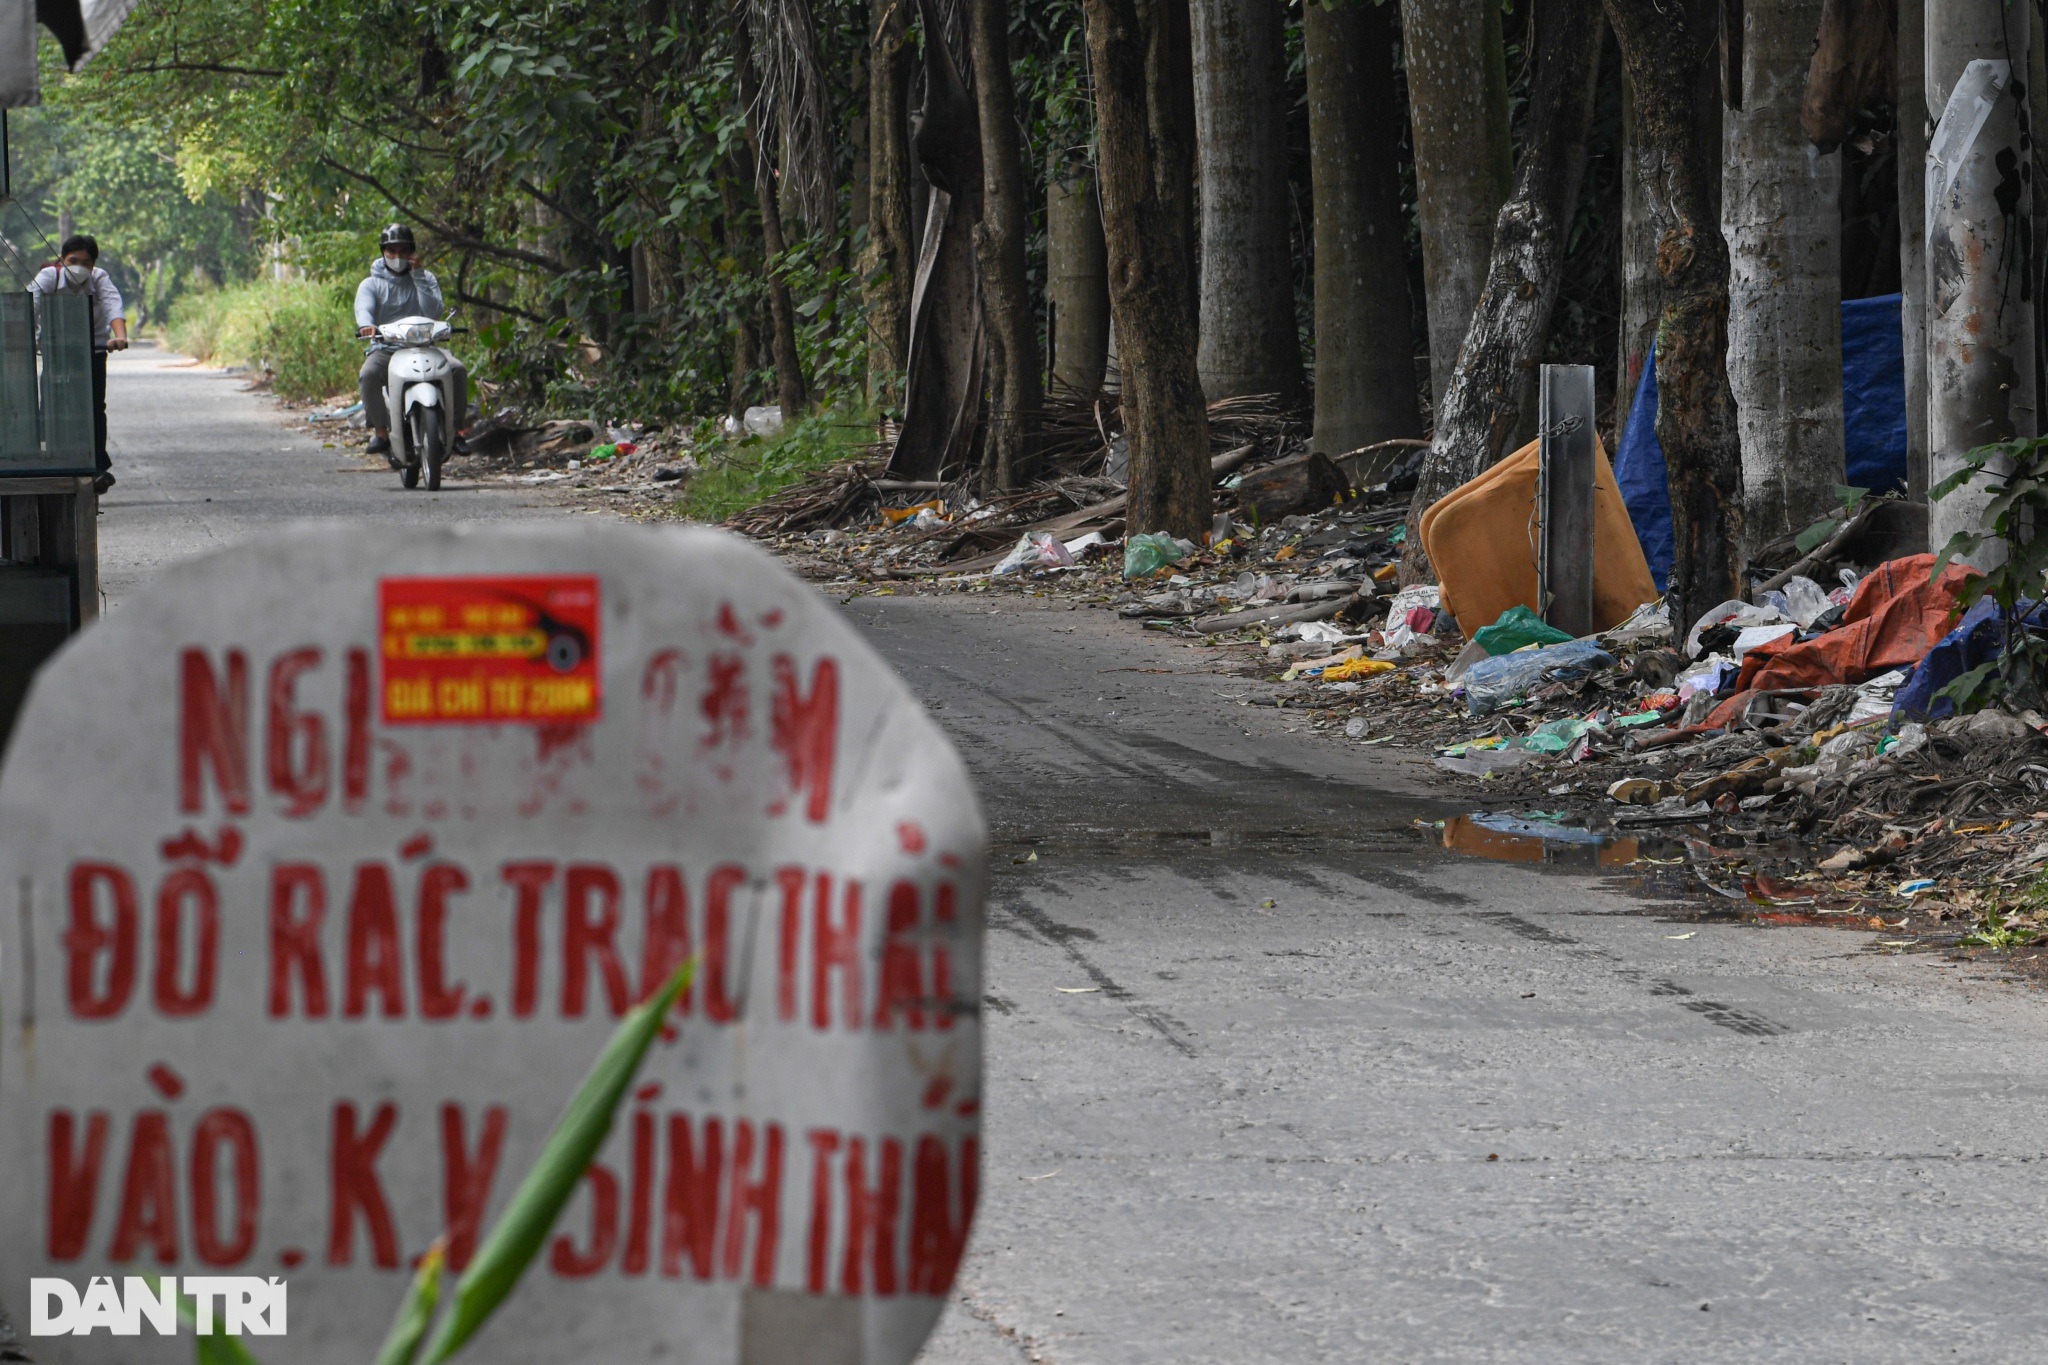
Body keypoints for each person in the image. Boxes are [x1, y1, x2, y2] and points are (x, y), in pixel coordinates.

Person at [354, 223, 467, 461]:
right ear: (383, 252)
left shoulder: (426, 278)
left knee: (456, 369)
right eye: (391, 251)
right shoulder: (371, 284)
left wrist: (418, 277)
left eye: (403, 251)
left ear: (412, 252)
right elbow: (364, 308)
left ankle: (455, 431)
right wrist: (367, 325)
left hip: (425, 346)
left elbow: (434, 311)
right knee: (369, 375)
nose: (397, 257)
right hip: (387, 349)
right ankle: (381, 433)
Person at [29, 234, 128, 496]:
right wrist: (24, 337)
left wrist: (120, 336)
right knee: (51, 402)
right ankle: (48, 457)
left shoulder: (99, 279)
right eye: (73, 260)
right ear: (62, 260)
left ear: (93, 265)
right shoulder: (49, 277)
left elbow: (112, 305)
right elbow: (31, 305)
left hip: (92, 349)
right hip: (57, 350)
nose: (79, 267)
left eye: (86, 263)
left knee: (95, 406)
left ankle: (97, 467)